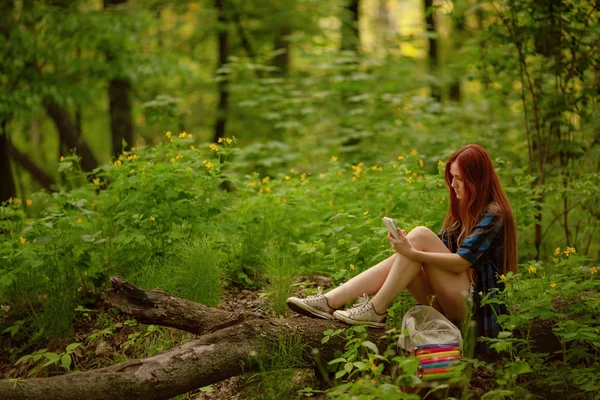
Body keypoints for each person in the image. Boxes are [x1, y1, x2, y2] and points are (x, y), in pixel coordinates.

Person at [286, 144, 517, 353]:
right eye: (452, 178)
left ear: (476, 180)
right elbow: (438, 253)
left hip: (476, 310)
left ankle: (374, 309)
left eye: (459, 178)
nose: (453, 184)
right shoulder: (464, 211)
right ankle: (329, 301)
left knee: (419, 238)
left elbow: (461, 262)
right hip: (450, 300)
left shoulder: (493, 213)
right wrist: (410, 250)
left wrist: (413, 250)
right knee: (413, 246)